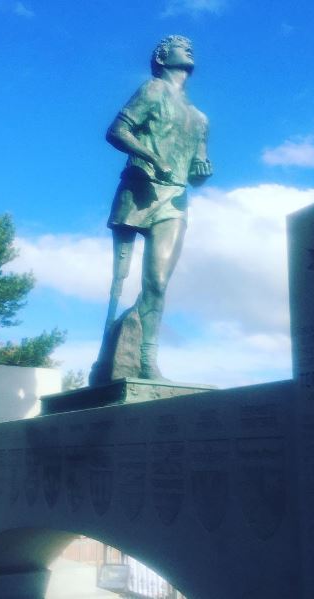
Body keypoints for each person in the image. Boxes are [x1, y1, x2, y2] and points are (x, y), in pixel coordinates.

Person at [99, 35, 212, 380]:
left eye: (191, 45)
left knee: (158, 281)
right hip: (140, 190)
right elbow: (116, 131)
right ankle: (107, 359)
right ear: (163, 57)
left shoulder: (200, 118)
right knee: (119, 279)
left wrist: (202, 171)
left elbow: (197, 170)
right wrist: (150, 156)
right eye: (180, 45)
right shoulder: (152, 90)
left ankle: (147, 360)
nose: (189, 48)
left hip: (174, 199)